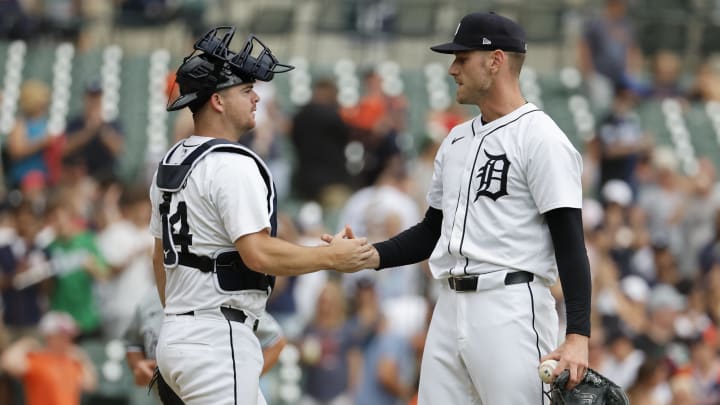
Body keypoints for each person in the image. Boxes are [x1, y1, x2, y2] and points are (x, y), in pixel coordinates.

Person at [325, 12, 592, 403]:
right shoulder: (455, 141)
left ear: (495, 60)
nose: (451, 68)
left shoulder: (541, 138)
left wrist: (578, 337)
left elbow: (570, 243)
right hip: (448, 305)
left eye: (462, 58)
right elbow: (431, 231)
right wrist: (369, 255)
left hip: (511, 303)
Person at [148, 27, 373, 405]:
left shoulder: (172, 160)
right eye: (246, 90)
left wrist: (178, 324)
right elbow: (259, 254)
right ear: (217, 101)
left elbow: (159, 258)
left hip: (181, 332)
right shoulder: (232, 164)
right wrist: (332, 257)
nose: (256, 98)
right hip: (218, 339)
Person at [0, 311, 97, 405]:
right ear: (49, 336)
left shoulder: (72, 361)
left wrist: (83, 358)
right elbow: (7, 363)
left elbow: (90, 385)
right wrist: (26, 343)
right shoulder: (36, 359)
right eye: (62, 335)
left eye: (69, 335)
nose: (68, 339)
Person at [63, 81, 124, 185]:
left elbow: (117, 149)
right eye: (91, 97)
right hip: (79, 175)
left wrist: (100, 128)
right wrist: (89, 131)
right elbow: (66, 148)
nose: (94, 101)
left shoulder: (112, 123)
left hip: (105, 176)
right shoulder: (75, 123)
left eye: (97, 97)